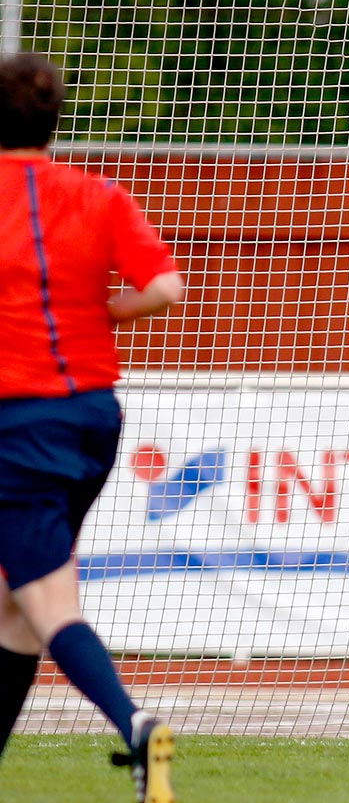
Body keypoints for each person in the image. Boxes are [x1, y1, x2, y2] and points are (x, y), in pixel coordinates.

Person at [0, 53, 183, 803]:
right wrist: (101, 314)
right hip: (92, 417)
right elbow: (167, 287)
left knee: (46, 602)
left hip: (19, 421)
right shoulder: (99, 194)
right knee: (14, 607)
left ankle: (136, 723)